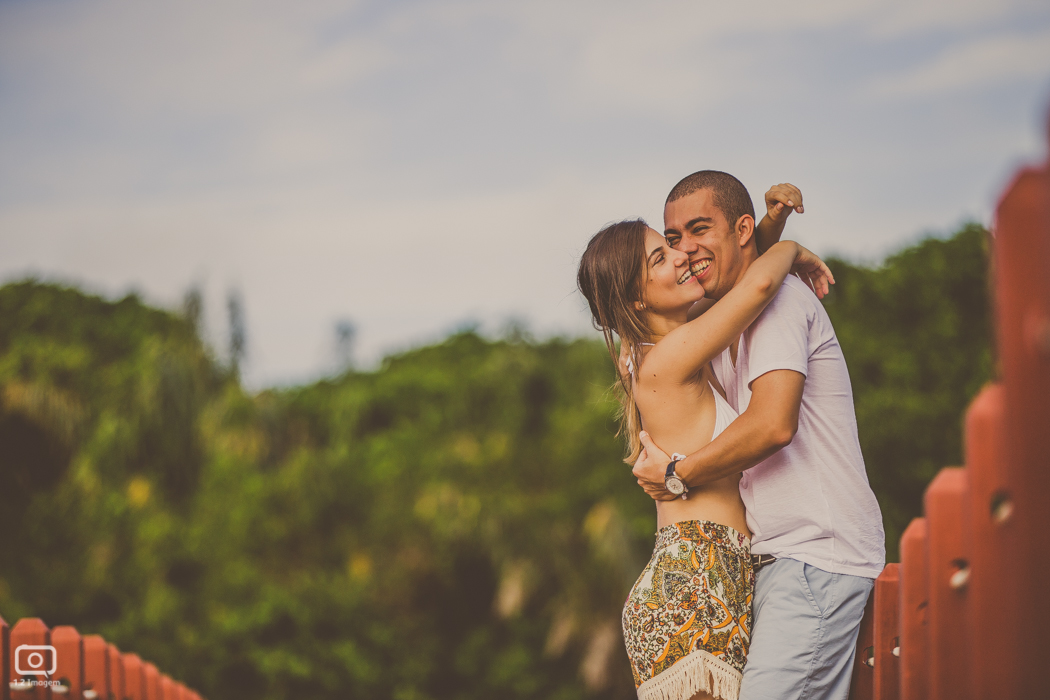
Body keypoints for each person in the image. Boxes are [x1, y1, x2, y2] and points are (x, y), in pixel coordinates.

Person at [632, 171, 886, 700]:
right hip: (773, 562)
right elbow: (739, 270)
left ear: (741, 228)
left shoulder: (779, 307)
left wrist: (678, 474)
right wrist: (779, 238)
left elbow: (773, 424)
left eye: (698, 229)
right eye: (672, 241)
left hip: (815, 555)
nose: (685, 251)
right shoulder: (721, 322)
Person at [577, 206, 835, 700]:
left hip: (707, 572)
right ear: (636, 295)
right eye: (660, 257)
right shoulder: (666, 359)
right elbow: (756, 288)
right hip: (696, 579)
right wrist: (790, 249)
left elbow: (733, 283)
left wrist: (763, 230)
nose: (680, 257)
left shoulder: (664, 347)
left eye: (671, 246)